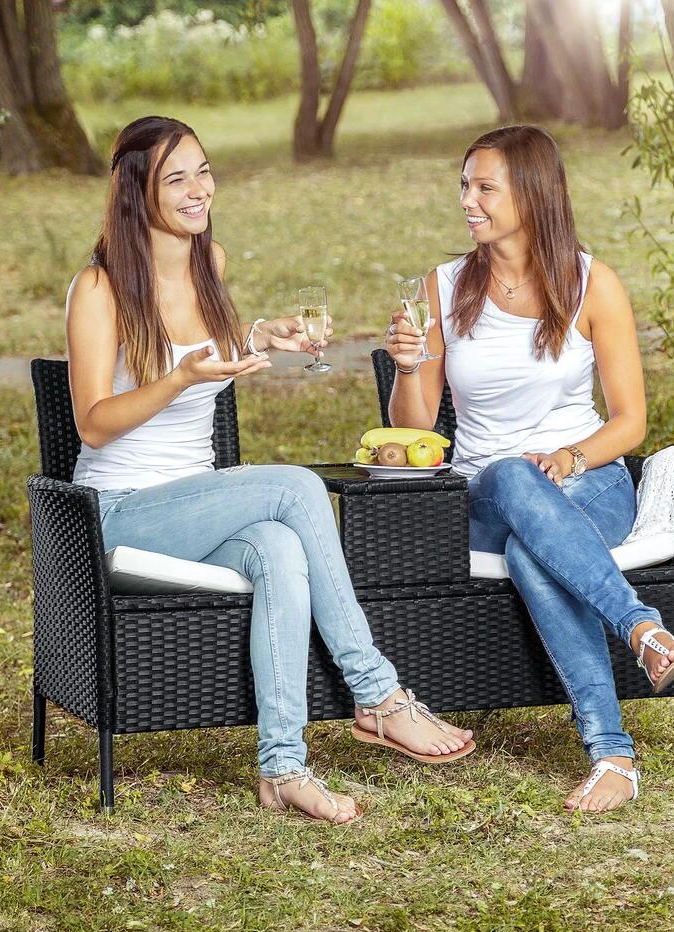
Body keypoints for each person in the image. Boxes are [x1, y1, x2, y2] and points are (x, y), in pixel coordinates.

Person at [66, 116, 474, 824]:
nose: (199, 190)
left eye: (203, 171)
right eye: (176, 179)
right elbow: (93, 422)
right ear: (136, 192)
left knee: (280, 548)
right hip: (121, 513)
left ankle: (283, 768)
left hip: (193, 509)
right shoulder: (98, 288)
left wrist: (259, 333)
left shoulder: (209, 262)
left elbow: (208, 344)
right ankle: (377, 693)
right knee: (296, 486)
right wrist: (180, 379)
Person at [383, 125, 674, 813]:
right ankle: (642, 628)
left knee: (533, 550)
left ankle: (613, 757)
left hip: (589, 482)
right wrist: (408, 367)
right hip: (487, 493)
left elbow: (630, 422)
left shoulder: (592, 284)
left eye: (485, 188)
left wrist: (570, 455)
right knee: (507, 474)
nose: (467, 200)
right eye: (464, 185)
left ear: (530, 195)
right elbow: (414, 430)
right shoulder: (442, 288)